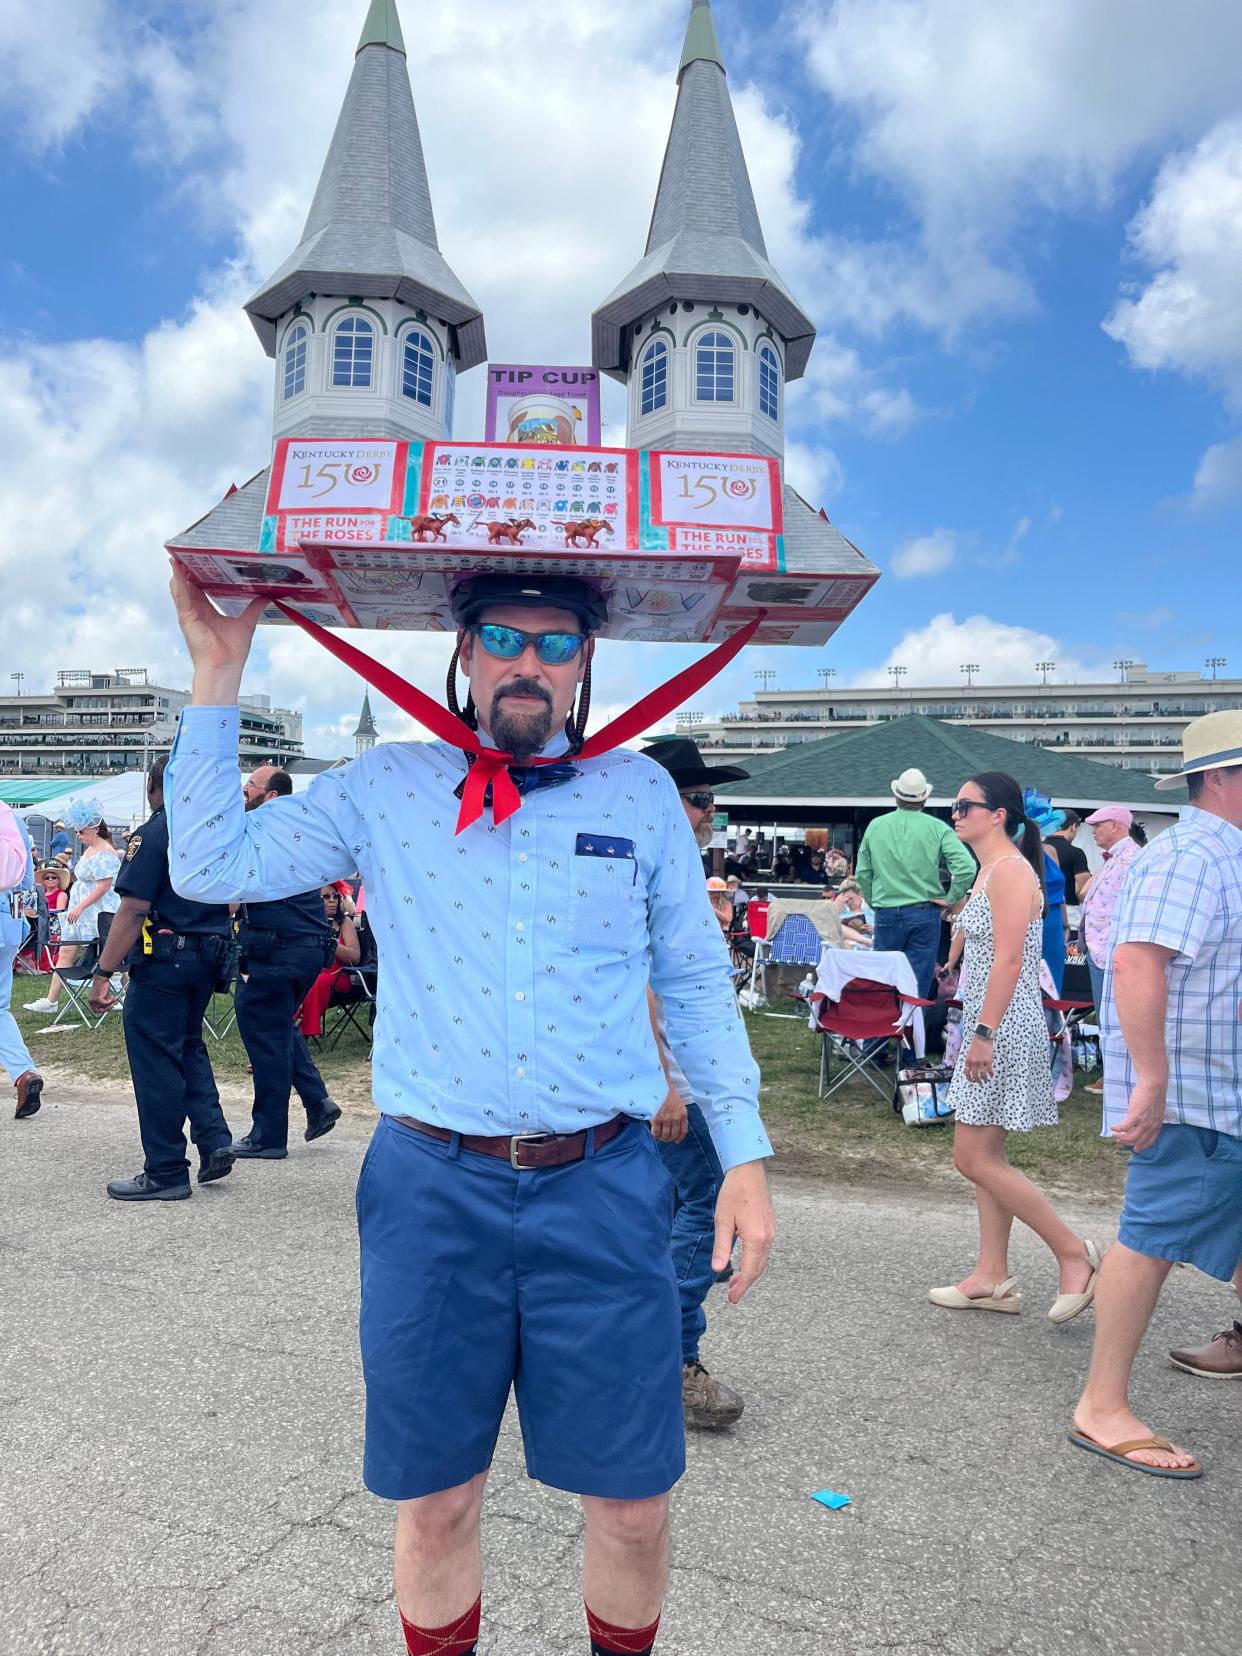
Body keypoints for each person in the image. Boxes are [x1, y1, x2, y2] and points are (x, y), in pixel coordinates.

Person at [167, 566, 775, 1656]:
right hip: (431, 1185)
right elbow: (212, 863)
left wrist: (745, 1153)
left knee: (634, 1505)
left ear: (587, 662)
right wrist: (220, 670)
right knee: (437, 1498)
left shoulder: (636, 794)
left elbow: (690, 977)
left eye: (555, 643)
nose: (527, 663)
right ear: (463, 652)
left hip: (603, 1181)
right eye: (503, 636)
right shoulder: (388, 785)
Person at [1071, 712, 1242, 1476]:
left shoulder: (1217, 852)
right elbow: (1138, 963)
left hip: (1215, 1085)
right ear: (1220, 776)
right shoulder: (1192, 854)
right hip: (1199, 1093)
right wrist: (1153, 1079)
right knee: (1151, 1236)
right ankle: (1101, 1404)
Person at [929, 773, 1099, 1322]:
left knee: (972, 1157)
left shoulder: (1008, 870)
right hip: (994, 1020)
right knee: (987, 1158)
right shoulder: (990, 870)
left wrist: (983, 1034)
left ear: (999, 813)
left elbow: (1009, 961)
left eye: (964, 806)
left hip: (1001, 1025)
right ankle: (992, 1275)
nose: (954, 814)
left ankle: (1073, 1253)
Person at [643, 736, 754, 1432]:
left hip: (691, 1079)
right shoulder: (650, 867)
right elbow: (638, 988)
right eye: (699, 797)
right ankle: (673, 1358)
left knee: (665, 1211)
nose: (710, 810)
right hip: (673, 1082)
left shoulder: (675, 866)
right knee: (709, 1208)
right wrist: (665, 1087)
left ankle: (648, 1350)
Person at [88, 756, 237, 1200]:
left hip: (165, 957)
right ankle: (213, 1140)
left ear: (156, 789)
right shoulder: (212, 832)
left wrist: (103, 972)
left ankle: (166, 1169)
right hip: (208, 954)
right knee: (188, 1046)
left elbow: (132, 910)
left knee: (155, 1060)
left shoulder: (155, 833)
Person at [231, 766, 342, 1158]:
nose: (244, 793)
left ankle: (268, 1136)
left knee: (263, 1035)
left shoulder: (259, 831)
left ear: (271, 796)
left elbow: (233, 891)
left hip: (276, 948)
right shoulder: (299, 831)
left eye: (250, 788)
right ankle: (317, 1103)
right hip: (308, 948)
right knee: (276, 1027)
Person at [856, 767, 976, 997]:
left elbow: (863, 873)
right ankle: (911, 1030)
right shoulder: (938, 828)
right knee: (917, 983)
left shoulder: (876, 826)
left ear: (896, 796)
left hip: (887, 912)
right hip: (925, 912)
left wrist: (875, 902)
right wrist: (951, 899)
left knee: (883, 980)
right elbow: (967, 867)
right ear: (924, 798)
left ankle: (880, 1030)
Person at [23, 803, 121, 1014]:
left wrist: (80, 907)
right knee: (67, 949)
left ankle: (121, 994)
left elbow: (104, 886)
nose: (78, 835)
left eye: (81, 831)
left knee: (111, 952)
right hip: (81, 908)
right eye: (76, 831)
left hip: (98, 910)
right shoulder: (91, 850)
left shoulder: (105, 852)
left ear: (95, 829)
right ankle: (51, 1000)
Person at [1079, 807, 1143, 1097]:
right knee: (1107, 1016)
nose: (1093, 831)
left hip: (1112, 949)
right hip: (1099, 948)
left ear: (1117, 826)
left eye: (1098, 825)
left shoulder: (1132, 859)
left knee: (1116, 1016)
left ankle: (1119, 1077)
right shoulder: (1112, 859)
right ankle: (1114, 1074)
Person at [1, 802, 44, 1120]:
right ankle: (23, 1072)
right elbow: (27, 880)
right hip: (8, 922)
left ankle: (24, 1073)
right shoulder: (11, 818)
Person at [295, 883, 363, 1039]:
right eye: (326, 897)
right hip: (311, 972)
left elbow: (355, 957)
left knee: (319, 980)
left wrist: (332, 944)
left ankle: (303, 1031)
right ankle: (283, 1032)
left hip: (340, 975)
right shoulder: (310, 923)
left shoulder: (345, 923)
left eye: (335, 896)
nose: (332, 900)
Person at [1044, 810, 1089, 918]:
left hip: (1039, 910)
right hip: (1069, 913)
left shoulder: (1037, 849)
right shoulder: (1076, 853)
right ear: (1073, 827)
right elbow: (1082, 891)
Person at [1041, 843, 1068, 993]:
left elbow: (1061, 893)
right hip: (1028, 917)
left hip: (1054, 920)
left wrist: (1066, 925)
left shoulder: (1050, 849)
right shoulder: (1012, 848)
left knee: (1053, 981)